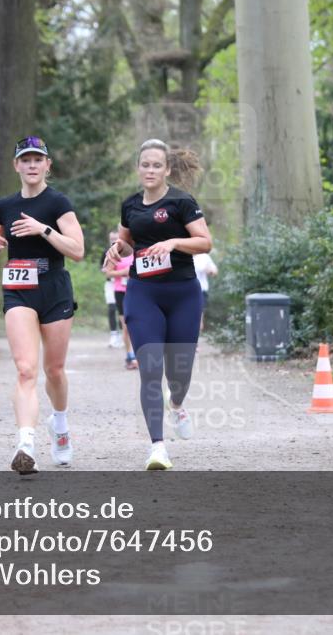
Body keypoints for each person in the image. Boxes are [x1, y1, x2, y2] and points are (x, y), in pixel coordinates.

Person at [103, 139, 213, 470]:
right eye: (144, 165)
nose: (149, 170)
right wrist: (117, 251)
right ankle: (157, 447)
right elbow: (126, 243)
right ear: (138, 168)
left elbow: (205, 242)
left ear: (167, 169)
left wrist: (173, 242)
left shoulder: (181, 201)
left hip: (182, 294)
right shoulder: (130, 205)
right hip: (143, 292)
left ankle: (177, 403)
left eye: (156, 165)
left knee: (179, 375)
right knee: (150, 370)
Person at [0, 136, 85, 474]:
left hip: (54, 287)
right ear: (16, 165)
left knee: (53, 370)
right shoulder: (4, 205)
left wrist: (43, 229)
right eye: (25, 160)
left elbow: (77, 250)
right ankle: (25, 444)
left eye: (37, 160)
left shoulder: (58, 203)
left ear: (47, 165)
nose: (31, 165)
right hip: (18, 289)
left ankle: (59, 425)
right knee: (26, 368)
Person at [102, 234, 137, 369]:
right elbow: (108, 273)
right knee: (127, 326)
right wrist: (124, 272)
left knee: (140, 324)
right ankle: (130, 356)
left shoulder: (139, 248)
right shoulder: (116, 250)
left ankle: (141, 355)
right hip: (121, 292)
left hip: (138, 290)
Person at [103, 230, 123, 348]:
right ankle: (114, 334)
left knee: (123, 310)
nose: (113, 241)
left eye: (115, 238)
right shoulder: (107, 252)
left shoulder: (126, 251)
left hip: (123, 284)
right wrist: (107, 270)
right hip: (111, 284)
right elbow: (103, 267)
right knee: (111, 308)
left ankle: (122, 333)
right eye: (111, 239)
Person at [193, 251, 218, 331]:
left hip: (200, 291)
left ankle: (195, 341)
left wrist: (211, 270)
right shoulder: (181, 254)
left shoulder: (203, 256)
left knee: (198, 318)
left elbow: (214, 270)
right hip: (183, 290)